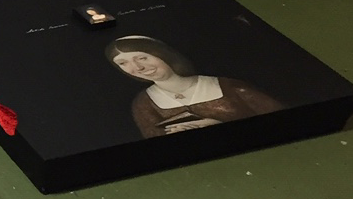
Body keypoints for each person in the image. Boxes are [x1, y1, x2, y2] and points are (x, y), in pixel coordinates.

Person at [107, 37, 286, 138]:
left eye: (142, 58)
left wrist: (219, 125)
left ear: (163, 55)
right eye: (123, 63)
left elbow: (281, 122)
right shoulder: (144, 103)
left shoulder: (229, 87)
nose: (138, 67)